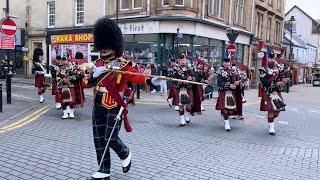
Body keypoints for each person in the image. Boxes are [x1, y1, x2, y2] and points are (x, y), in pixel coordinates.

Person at [83, 17, 162, 180]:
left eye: (107, 47)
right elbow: (85, 83)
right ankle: (104, 170)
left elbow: (137, 76)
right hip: (97, 103)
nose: (104, 51)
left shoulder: (123, 64)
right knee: (99, 140)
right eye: (102, 48)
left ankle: (125, 153)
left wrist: (150, 80)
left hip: (114, 104)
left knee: (110, 138)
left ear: (114, 46)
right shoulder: (96, 64)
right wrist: (92, 77)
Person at [259, 54, 287, 135]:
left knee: (278, 111)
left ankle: (270, 120)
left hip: (276, 92)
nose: (271, 60)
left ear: (274, 59)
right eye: (270, 58)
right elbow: (264, 82)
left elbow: (283, 78)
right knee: (270, 109)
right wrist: (276, 84)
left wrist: (283, 82)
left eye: (273, 58)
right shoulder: (263, 69)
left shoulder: (279, 69)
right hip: (268, 92)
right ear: (268, 59)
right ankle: (271, 127)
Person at [215, 58, 240, 132]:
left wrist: (237, 82)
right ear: (223, 63)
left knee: (231, 110)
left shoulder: (234, 71)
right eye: (225, 62)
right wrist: (229, 85)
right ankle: (226, 123)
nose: (227, 63)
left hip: (232, 93)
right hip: (224, 92)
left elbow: (238, 79)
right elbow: (219, 83)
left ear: (230, 62)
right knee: (225, 109)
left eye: (228, 62)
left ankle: (226, 117)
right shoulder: (220, 72)